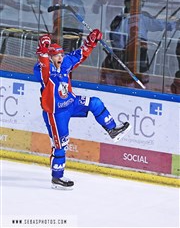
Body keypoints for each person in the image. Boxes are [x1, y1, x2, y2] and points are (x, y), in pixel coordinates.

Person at [33, 30, 131, 189]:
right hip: (56, 113)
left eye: (61, 55)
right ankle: (57, 178)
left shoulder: (64, 63)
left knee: (95, 103)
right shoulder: (42, 69)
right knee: (61, 145)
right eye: (57, 55)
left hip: (71, 103)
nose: (60, 58)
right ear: (50, 57)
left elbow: (80, 54)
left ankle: (112, 129)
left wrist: (91, 41)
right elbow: (43, 66)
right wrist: (42, 50)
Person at [110, 0, 180, 73]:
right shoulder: (135, 17)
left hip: (128, 55)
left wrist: (174, 24)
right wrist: (175, 25)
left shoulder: (137, 17)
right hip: (127, 55)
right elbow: (157, 24)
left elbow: (158, 24)